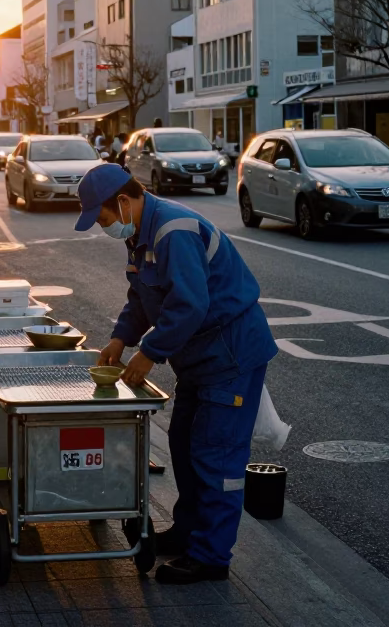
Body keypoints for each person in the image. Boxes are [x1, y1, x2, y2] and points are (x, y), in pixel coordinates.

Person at [74, 163, 277, 584]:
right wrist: (119, 338)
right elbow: (141, 296)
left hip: (230, 355)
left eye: (104, 218)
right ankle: (188, 533)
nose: (102, 227)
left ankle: (211, 556)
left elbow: (189, 304)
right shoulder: (139, 234)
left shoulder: (173, 230)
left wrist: (147, 353)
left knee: (215, 456)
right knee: (184, 446)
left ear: (125, 202)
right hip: (199, 359)